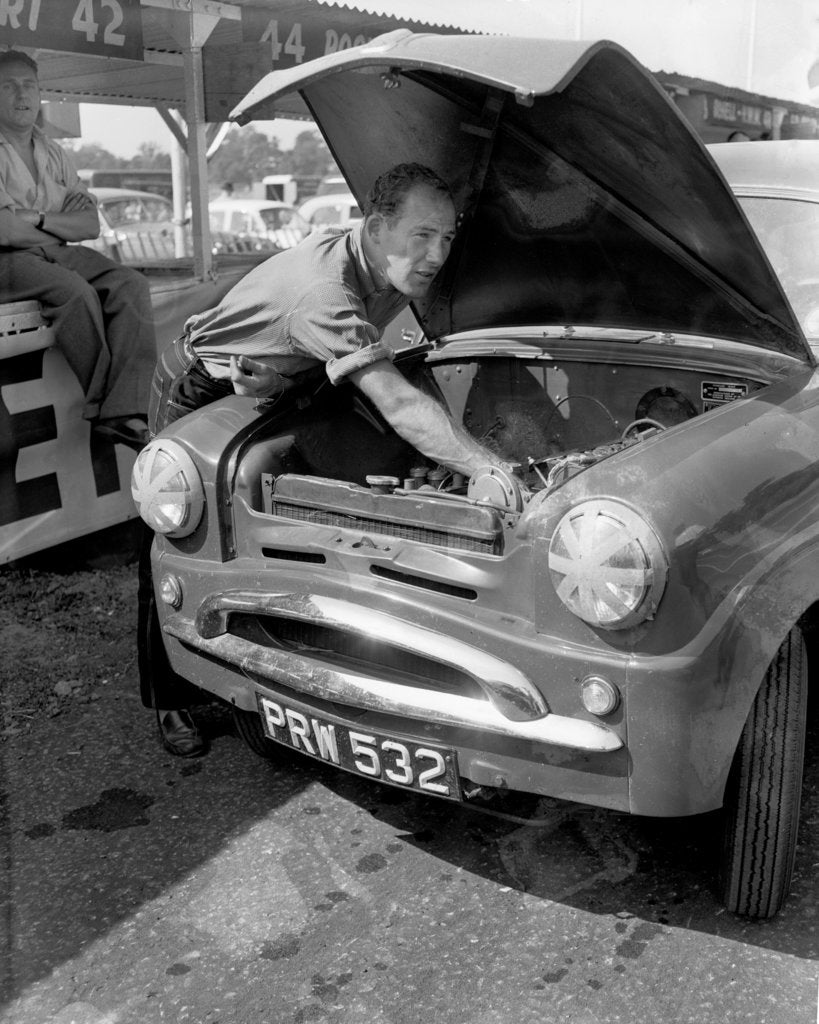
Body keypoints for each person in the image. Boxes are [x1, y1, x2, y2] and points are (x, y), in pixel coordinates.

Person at [141, 161, 519, 758]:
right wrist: (489, 468)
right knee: (182, 528)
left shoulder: (378, 261)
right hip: (203, 382)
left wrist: (285, 378)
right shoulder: (325, 294)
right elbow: (396, 400)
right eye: (422, 235)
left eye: (447, 237)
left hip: (278, 374)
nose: (437, 255)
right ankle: (171, 696)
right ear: (375, 227)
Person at [0, 50, 155, 449]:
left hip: (52, 251)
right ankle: (109, 410)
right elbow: (5, 232)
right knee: (74, 292)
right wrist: (54, 225)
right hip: (6, 261)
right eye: (8, 85)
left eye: (29, 85)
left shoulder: (52, 151)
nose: (22, 94)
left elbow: (89, 224)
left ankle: (128, 408)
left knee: (130, 283)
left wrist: (36, 219)